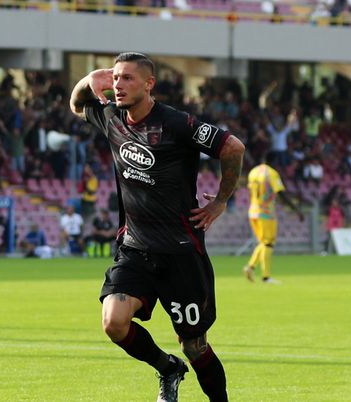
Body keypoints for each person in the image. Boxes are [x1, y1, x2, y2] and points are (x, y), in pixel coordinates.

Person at [70, 52, 244, 402]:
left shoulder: (178, 124)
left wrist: (221, 200)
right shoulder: (112, 118)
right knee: (114, 322)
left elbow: (232, 147)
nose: (118, 85)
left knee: (195, 346)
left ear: (150, 84)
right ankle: (167, 368)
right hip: (135, 248)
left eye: (128, 78)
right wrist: (89, 79)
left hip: (181, 252)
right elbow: (76, 105)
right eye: (115, 78)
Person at [243, 152, 304, 284]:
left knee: (263, 242)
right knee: (268, 243)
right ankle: (265, 276)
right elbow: (281, 193)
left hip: (253, 211)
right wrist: (296, 209)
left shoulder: (253, 172)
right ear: (274, 161)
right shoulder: (271, 173)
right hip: (266, 213)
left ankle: (251, 267)